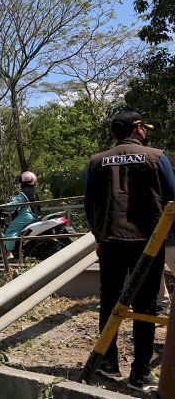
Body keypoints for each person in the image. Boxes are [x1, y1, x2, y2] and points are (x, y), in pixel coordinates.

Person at [84, 110, 175, 393]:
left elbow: (90, 205)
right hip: (148, 243)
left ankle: (107, 362)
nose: (146, 130)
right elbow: (172, 197)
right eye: (144, 127)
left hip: (110, 242)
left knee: (110, 299)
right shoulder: (156, 156)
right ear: (137, 129)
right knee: (145, 305)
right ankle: (140, 372)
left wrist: (100, 237)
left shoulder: (97, 161)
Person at [2, 171, 41, 257]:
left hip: (27, 215)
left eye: (20, 182)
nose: (20, 184)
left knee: (10, 232)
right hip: (34, 216)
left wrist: (2, 207)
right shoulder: (32, 191)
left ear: (24, 181)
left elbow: (16, 203)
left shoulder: (25, 192)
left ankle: (8, 254)